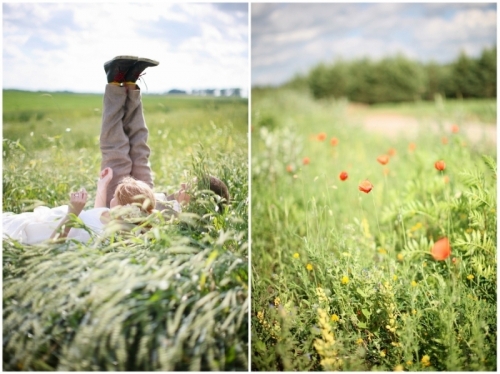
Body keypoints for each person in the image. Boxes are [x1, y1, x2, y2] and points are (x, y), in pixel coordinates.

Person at [3, 55, 230, 244]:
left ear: (201, 200)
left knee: (116, 148)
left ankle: (114, 83)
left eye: (189, 185)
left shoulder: (184, 224)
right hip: (143, 196)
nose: (183, 183)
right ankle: (131, 85)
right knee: (140, 147)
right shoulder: (183, 208)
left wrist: (104, 193)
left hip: (125, 205)